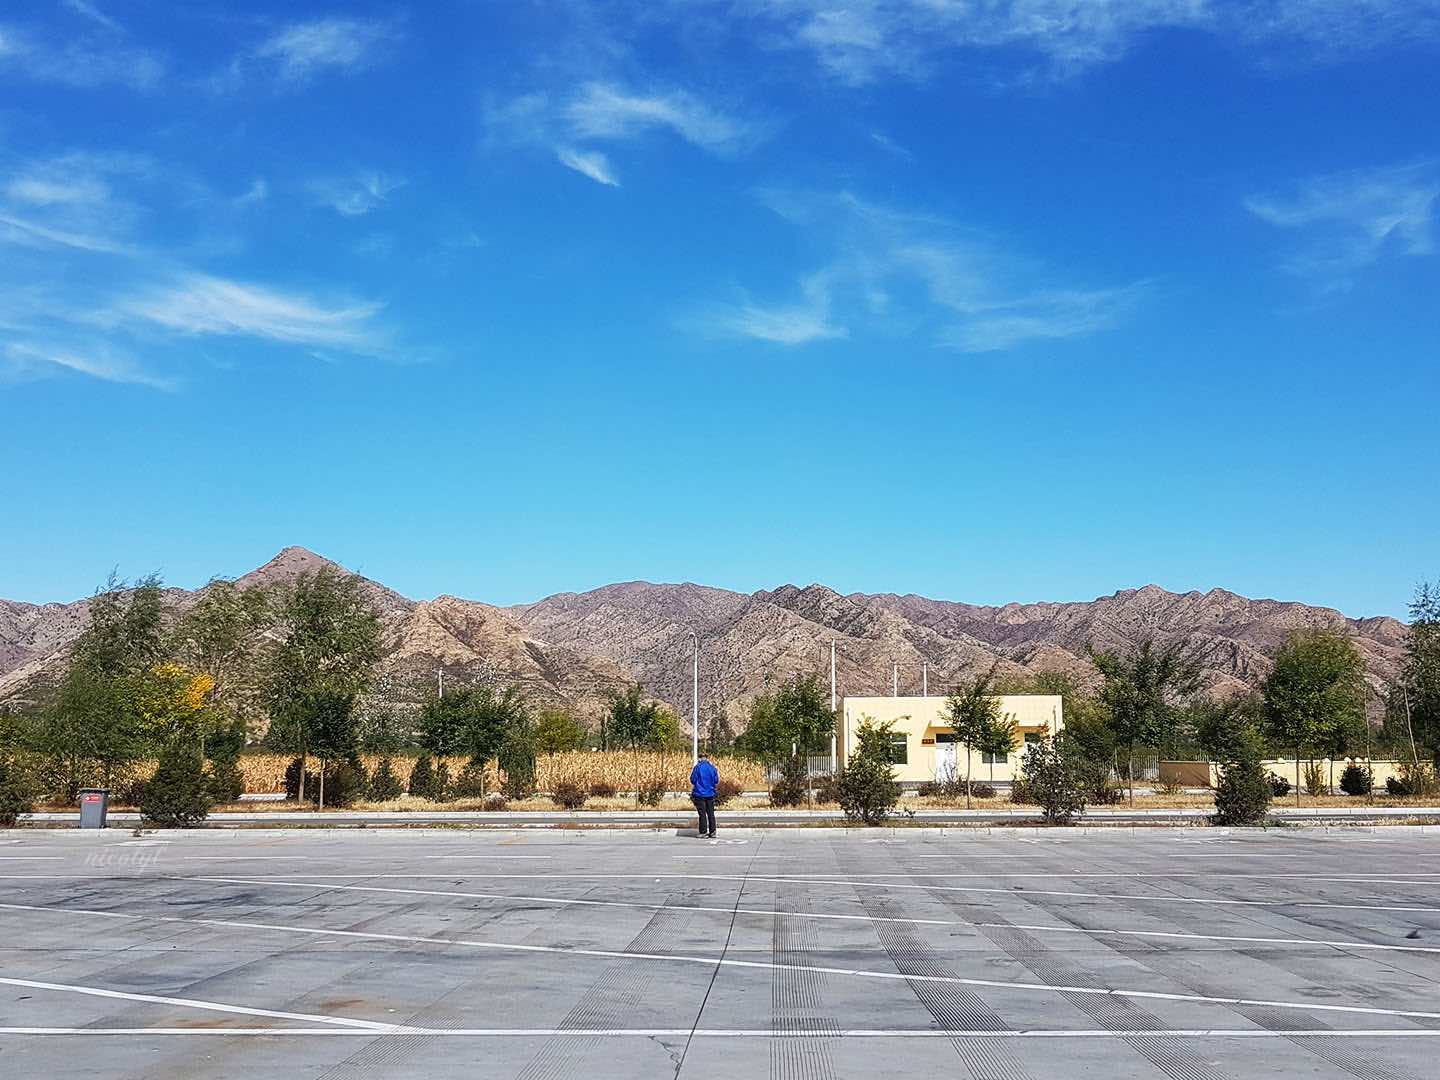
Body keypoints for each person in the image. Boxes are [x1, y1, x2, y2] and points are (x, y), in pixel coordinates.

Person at [690, 752, 719, 839]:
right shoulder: (712, 768)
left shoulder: (697, 767)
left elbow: (693, 780)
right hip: (710, 793)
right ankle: (712, 832)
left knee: (702, 814)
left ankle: (703, 832)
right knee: (711, 813)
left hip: (699, 793)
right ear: (707, 758)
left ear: (700, 758)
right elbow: (716, 780)